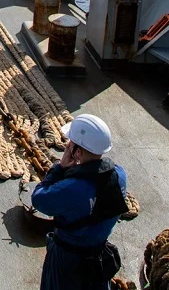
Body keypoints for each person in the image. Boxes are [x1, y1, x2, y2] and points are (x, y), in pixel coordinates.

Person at [30, 115, 129, 290]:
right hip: (98, 258)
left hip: (67, 261)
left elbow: (39, 199)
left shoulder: (71, 188)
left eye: (71, 144)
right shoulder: (120, 176)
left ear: (78, 151)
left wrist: (59, 168)